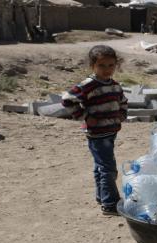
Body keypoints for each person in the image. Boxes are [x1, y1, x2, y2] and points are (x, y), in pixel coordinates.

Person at [62, 45, 128, 215]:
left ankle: (102, 197)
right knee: (108, 168)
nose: (107, 70)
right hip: (97, 133)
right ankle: (110, 204)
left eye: (111, 65)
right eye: (102, 66)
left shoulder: (114, 85)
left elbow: (122, 100)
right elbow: (68, 100)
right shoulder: (88, 85)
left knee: (100, 167)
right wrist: (84, 115)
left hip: (111, 131)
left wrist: (122, 113)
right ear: (92, 65)